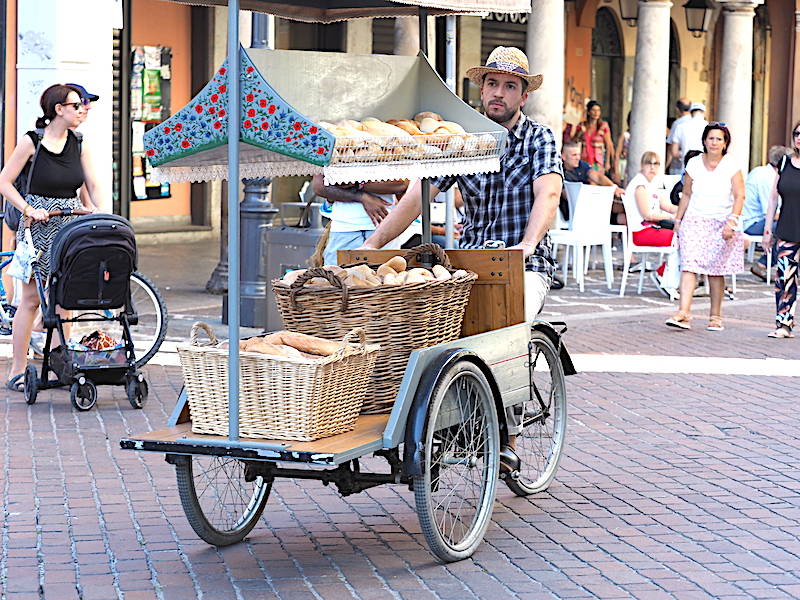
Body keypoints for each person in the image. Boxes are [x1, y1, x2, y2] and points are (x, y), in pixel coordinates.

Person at [359, 46, 562, 451]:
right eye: (492, 84)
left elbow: (549, 193)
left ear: (523, 96)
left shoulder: (538, 138)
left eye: (509, 86)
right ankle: (447, 419)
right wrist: (375, 244)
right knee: (429, 327)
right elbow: (419, 195)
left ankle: (509, 437)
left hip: (525, 263)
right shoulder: (465, 139)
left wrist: (525, 246)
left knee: (507, 331)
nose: (499, 93)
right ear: (481, 91)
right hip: (470, 262)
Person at [0, 84, 103, 391]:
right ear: (59, 109)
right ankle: (18, 369)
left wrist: (95, 209)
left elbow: (90, 184)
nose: (83, 110)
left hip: (68, 226)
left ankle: (61, 365)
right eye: (77, 105)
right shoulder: (32, 141)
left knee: (63, 300)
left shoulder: (79, 142)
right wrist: (28, 208)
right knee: (31, 300)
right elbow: (5, 182)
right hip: (37, 226)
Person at [666, 123, 744, 331]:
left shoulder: (731, 165)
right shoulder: (693, 163)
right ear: (704, 141)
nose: (714, 142)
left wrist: (732, 221)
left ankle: (716, 316)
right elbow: (687, 194)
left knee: (715, 271)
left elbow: (739, 195)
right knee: (689, 266)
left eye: (719, 139)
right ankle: (684, 313)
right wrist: (678, 220)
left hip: (721, 222)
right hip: (695, 220)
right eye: (711, 138)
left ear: (725, 143)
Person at [312, 176, 410, 265]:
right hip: (343, 230)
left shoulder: (388, 155)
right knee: (336, 280)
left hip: (384, 228)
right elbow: (320, 186)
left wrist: (357, 183)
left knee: (386, 280)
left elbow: (402, 184)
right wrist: (362, 197)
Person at [763, 123, 800, 338]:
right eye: (796, 134)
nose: (799, 138)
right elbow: (773, 198)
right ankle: (783, 324)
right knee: (784, 279)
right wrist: (768, 229)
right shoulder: (785, 162)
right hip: (787, 228)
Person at [743, 145, 791, 281]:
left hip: (755, 220)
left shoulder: (762, 171)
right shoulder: (767, 178)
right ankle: (762, 264)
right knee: (789, 228)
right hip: (752, 223)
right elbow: (769, 212)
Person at [561, 140, 624, 224]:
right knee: (617, 207)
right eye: (574, 155)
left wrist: (613, 187)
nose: (578, 158)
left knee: (624, 211)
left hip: (592, 207)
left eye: (579, 154)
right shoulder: (558, 171)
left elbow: (597, 177)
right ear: (564, 157)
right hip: (576, 213)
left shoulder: (581, 165)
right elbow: (568, 196)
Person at [571, 100, 615, 177]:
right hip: (584, 159)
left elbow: (609, 144)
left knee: (596, 180)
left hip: (597, 160)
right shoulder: (582, 125)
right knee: (584, 180)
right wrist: (581, 132)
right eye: (593, 110)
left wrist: (608, 162)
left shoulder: (603, 125)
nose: (596, 113)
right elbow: (574, 141)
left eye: (598, 110)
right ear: (588, 112)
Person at [669, 102, 707, 170]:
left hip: (686, 167)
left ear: (691, 113)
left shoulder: (680, 126)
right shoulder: (709, 127)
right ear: (703, 112)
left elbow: (674, 152)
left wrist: (683, 153)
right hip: (705, 167)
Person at [666, 98, 692, 174]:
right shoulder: (699, 124)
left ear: (677, 109)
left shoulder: (678, 124)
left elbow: (671, 147)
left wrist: (666, 166)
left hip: (678, 166)